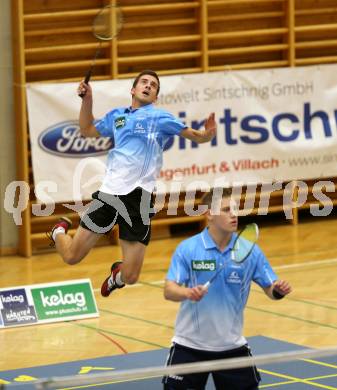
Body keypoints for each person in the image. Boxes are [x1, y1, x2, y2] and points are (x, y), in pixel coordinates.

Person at [47, 69, 217, 298]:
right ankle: (58, 231)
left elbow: (196, 135)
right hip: (109, 194)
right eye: (144, 82)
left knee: (131, 276)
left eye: (153, 85)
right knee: (71, 257)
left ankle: (117, 276)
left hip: (139, 199)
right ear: (133, 90)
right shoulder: (117, 116)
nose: (148, 86)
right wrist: (87, 100)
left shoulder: (160, 118)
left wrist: (207, 135)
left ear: (155, 96)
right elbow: (87, 130)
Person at [162, 187, 292, 390]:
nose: (234, 214)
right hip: (189, 346)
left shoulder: (249, 251)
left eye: (235, 208)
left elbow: (271, 288)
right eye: (226, 209)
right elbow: (169, 290)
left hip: (232, 347)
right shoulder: (188, 249)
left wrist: (279, 290)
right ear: (209, 214)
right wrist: (187, 293)